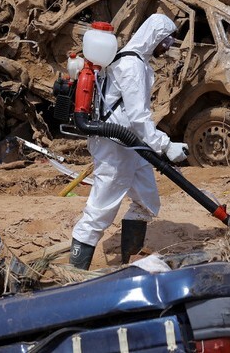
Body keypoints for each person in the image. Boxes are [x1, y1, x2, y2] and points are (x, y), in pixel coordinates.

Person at [69, 14, 189, 270]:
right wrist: (165, 146)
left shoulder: (137, 61)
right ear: (155, 37)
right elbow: (137, 116)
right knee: (100, 210)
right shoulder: (132, 65)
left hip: (131, 146)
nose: (167, 47)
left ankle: (130, 261)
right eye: (166, 41)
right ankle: (74, 273)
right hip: (116, 146)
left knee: (146, 201)